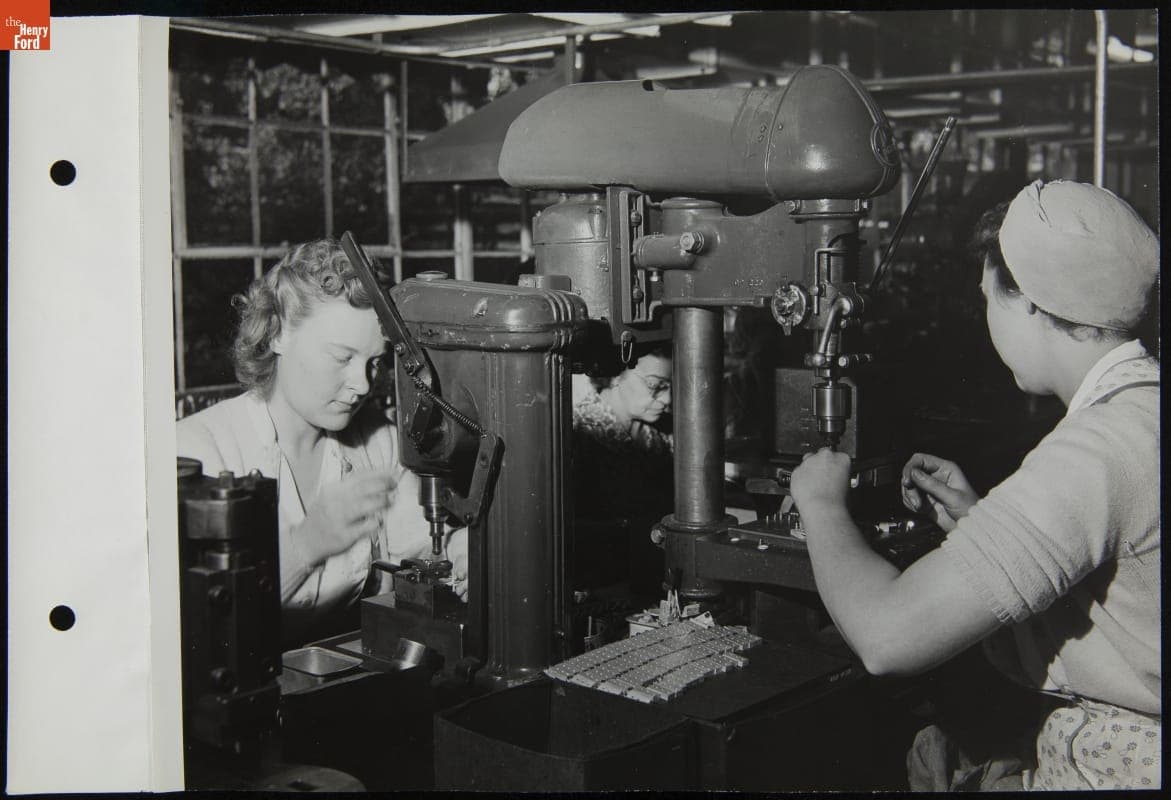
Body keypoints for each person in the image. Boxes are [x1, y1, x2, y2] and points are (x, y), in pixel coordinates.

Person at [790, 180, 1160, 790]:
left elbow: (889, 639)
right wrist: (983, 519)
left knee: (927, 762)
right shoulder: (1139, 410)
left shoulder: (1097, 450)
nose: (984, 316)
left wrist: (821, 504)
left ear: (1033, 303)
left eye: (987, 296)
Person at [178, 239, 467, 647]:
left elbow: (424, 544)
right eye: (340, 357)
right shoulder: (198, 452)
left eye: (373, 362)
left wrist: (464, 553)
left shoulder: (378, 442)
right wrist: (307, 544)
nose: (362, 384)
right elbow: (197, 630)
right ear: (278, 333)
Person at [571, 346, 674, 597]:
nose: (668, 399)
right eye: (655, 385)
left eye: (671, 386)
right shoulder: (574, 436)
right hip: (597, 587)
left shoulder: (663, 434)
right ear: (615, 374)